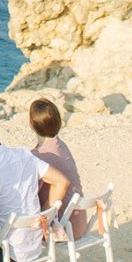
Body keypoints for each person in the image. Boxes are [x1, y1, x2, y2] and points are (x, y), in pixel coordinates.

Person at [0, 110, 70, 262]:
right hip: (35, 243)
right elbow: (62, 181)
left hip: (8, 251)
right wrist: (45, 215)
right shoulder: (24, 155)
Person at [29, 98, 87, 237]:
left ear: (32, 124)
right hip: (79, 221)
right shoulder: (61, 145)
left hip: (64, 227)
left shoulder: (38, 156)